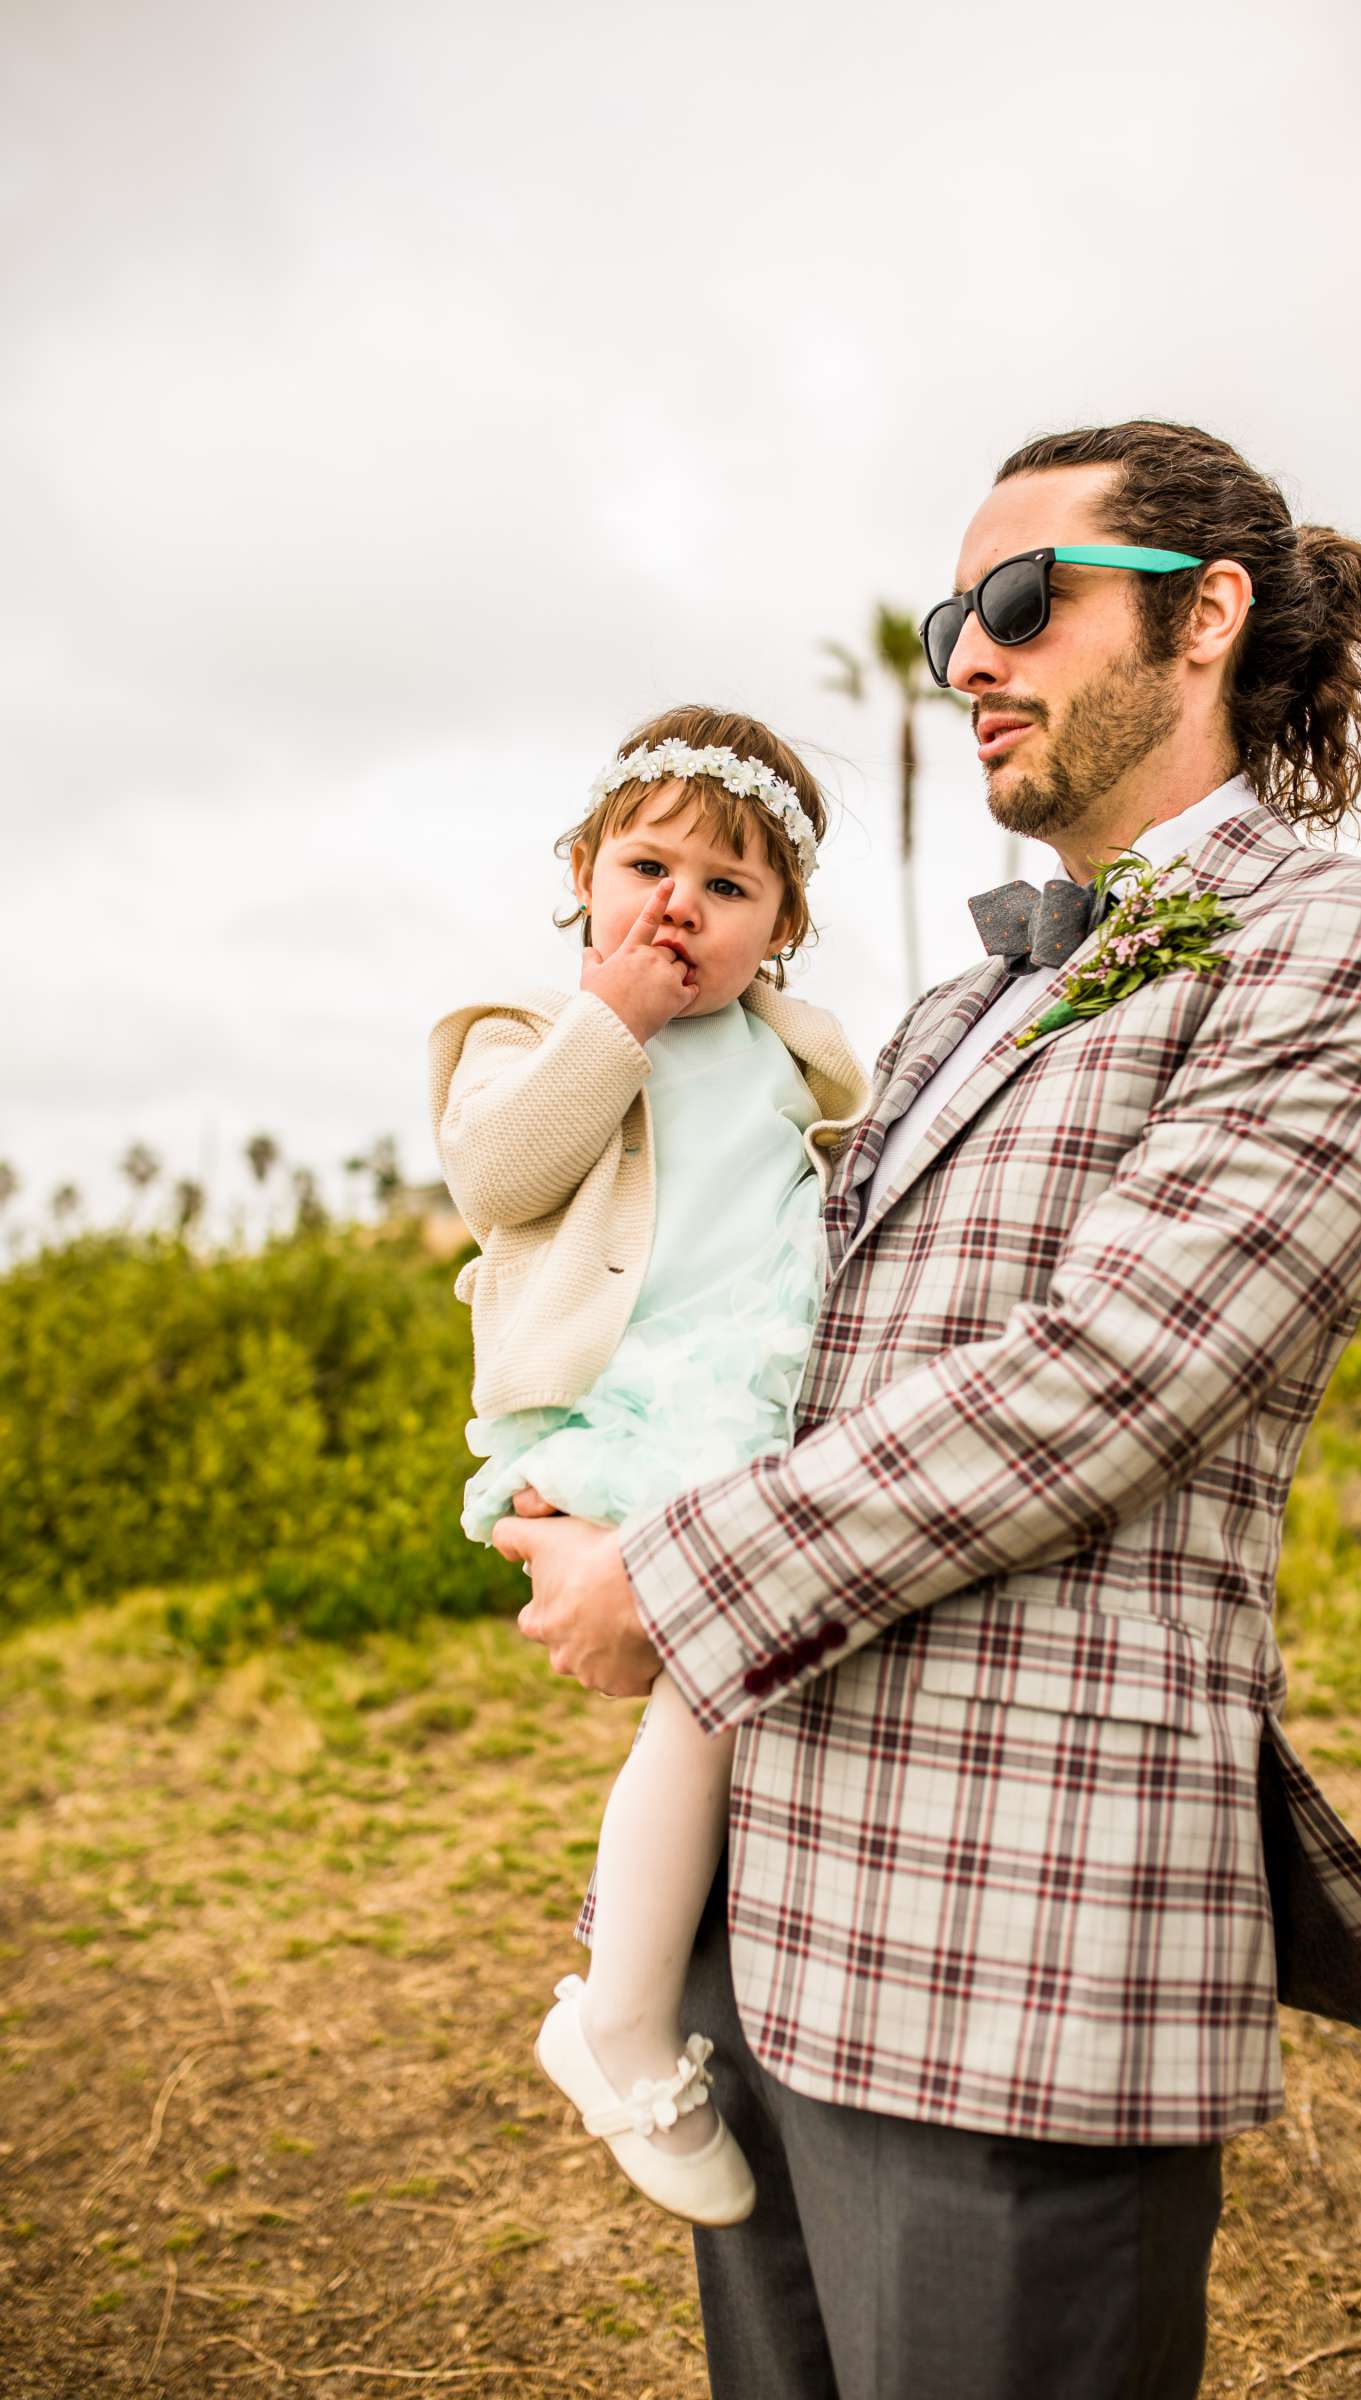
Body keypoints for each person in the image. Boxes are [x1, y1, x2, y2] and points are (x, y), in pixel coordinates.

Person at [494, 421, 1361, 2400]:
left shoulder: (1355, 935)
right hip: (753, 1902)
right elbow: (781, 1325)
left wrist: (666, 1578)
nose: (964, 652)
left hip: (1014, 1936)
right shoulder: (948, 1014)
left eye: (1020, 600)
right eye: (954, 613)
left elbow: (1106, 1377)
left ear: (1201, 618)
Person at [426, 703, 869, 2227]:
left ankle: (655, 1962)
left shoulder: (794, 1053)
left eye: (728, 888)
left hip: (759, 1413)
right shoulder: (523, 1038)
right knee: (711, 1696)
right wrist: (608, 1017)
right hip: (623, 1413)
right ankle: (615, 2014)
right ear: (584, 874)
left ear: (783, 928)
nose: (678, 904)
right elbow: (500, 1173)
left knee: (738, 1705)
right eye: (646, 864)